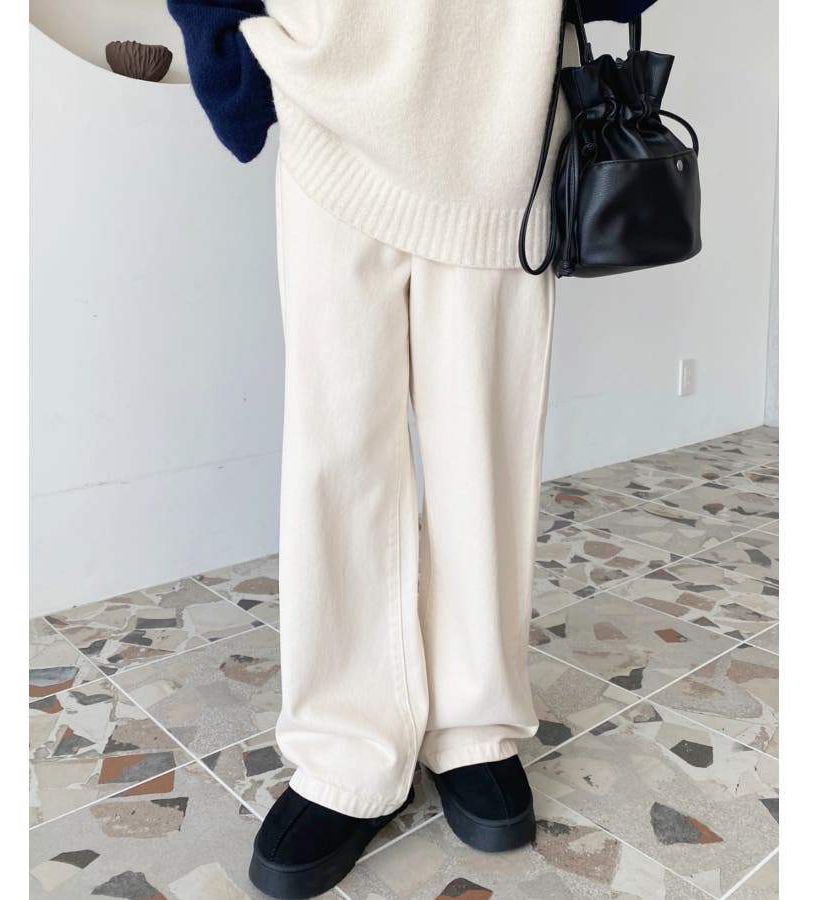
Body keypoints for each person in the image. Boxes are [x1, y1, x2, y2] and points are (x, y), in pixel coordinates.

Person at [168, 1, 659, 896]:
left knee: (486, 453)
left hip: (503, 118)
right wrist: (227, 41)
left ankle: (473, 720)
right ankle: (346, 745)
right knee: (339, 452)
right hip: (331, 95)